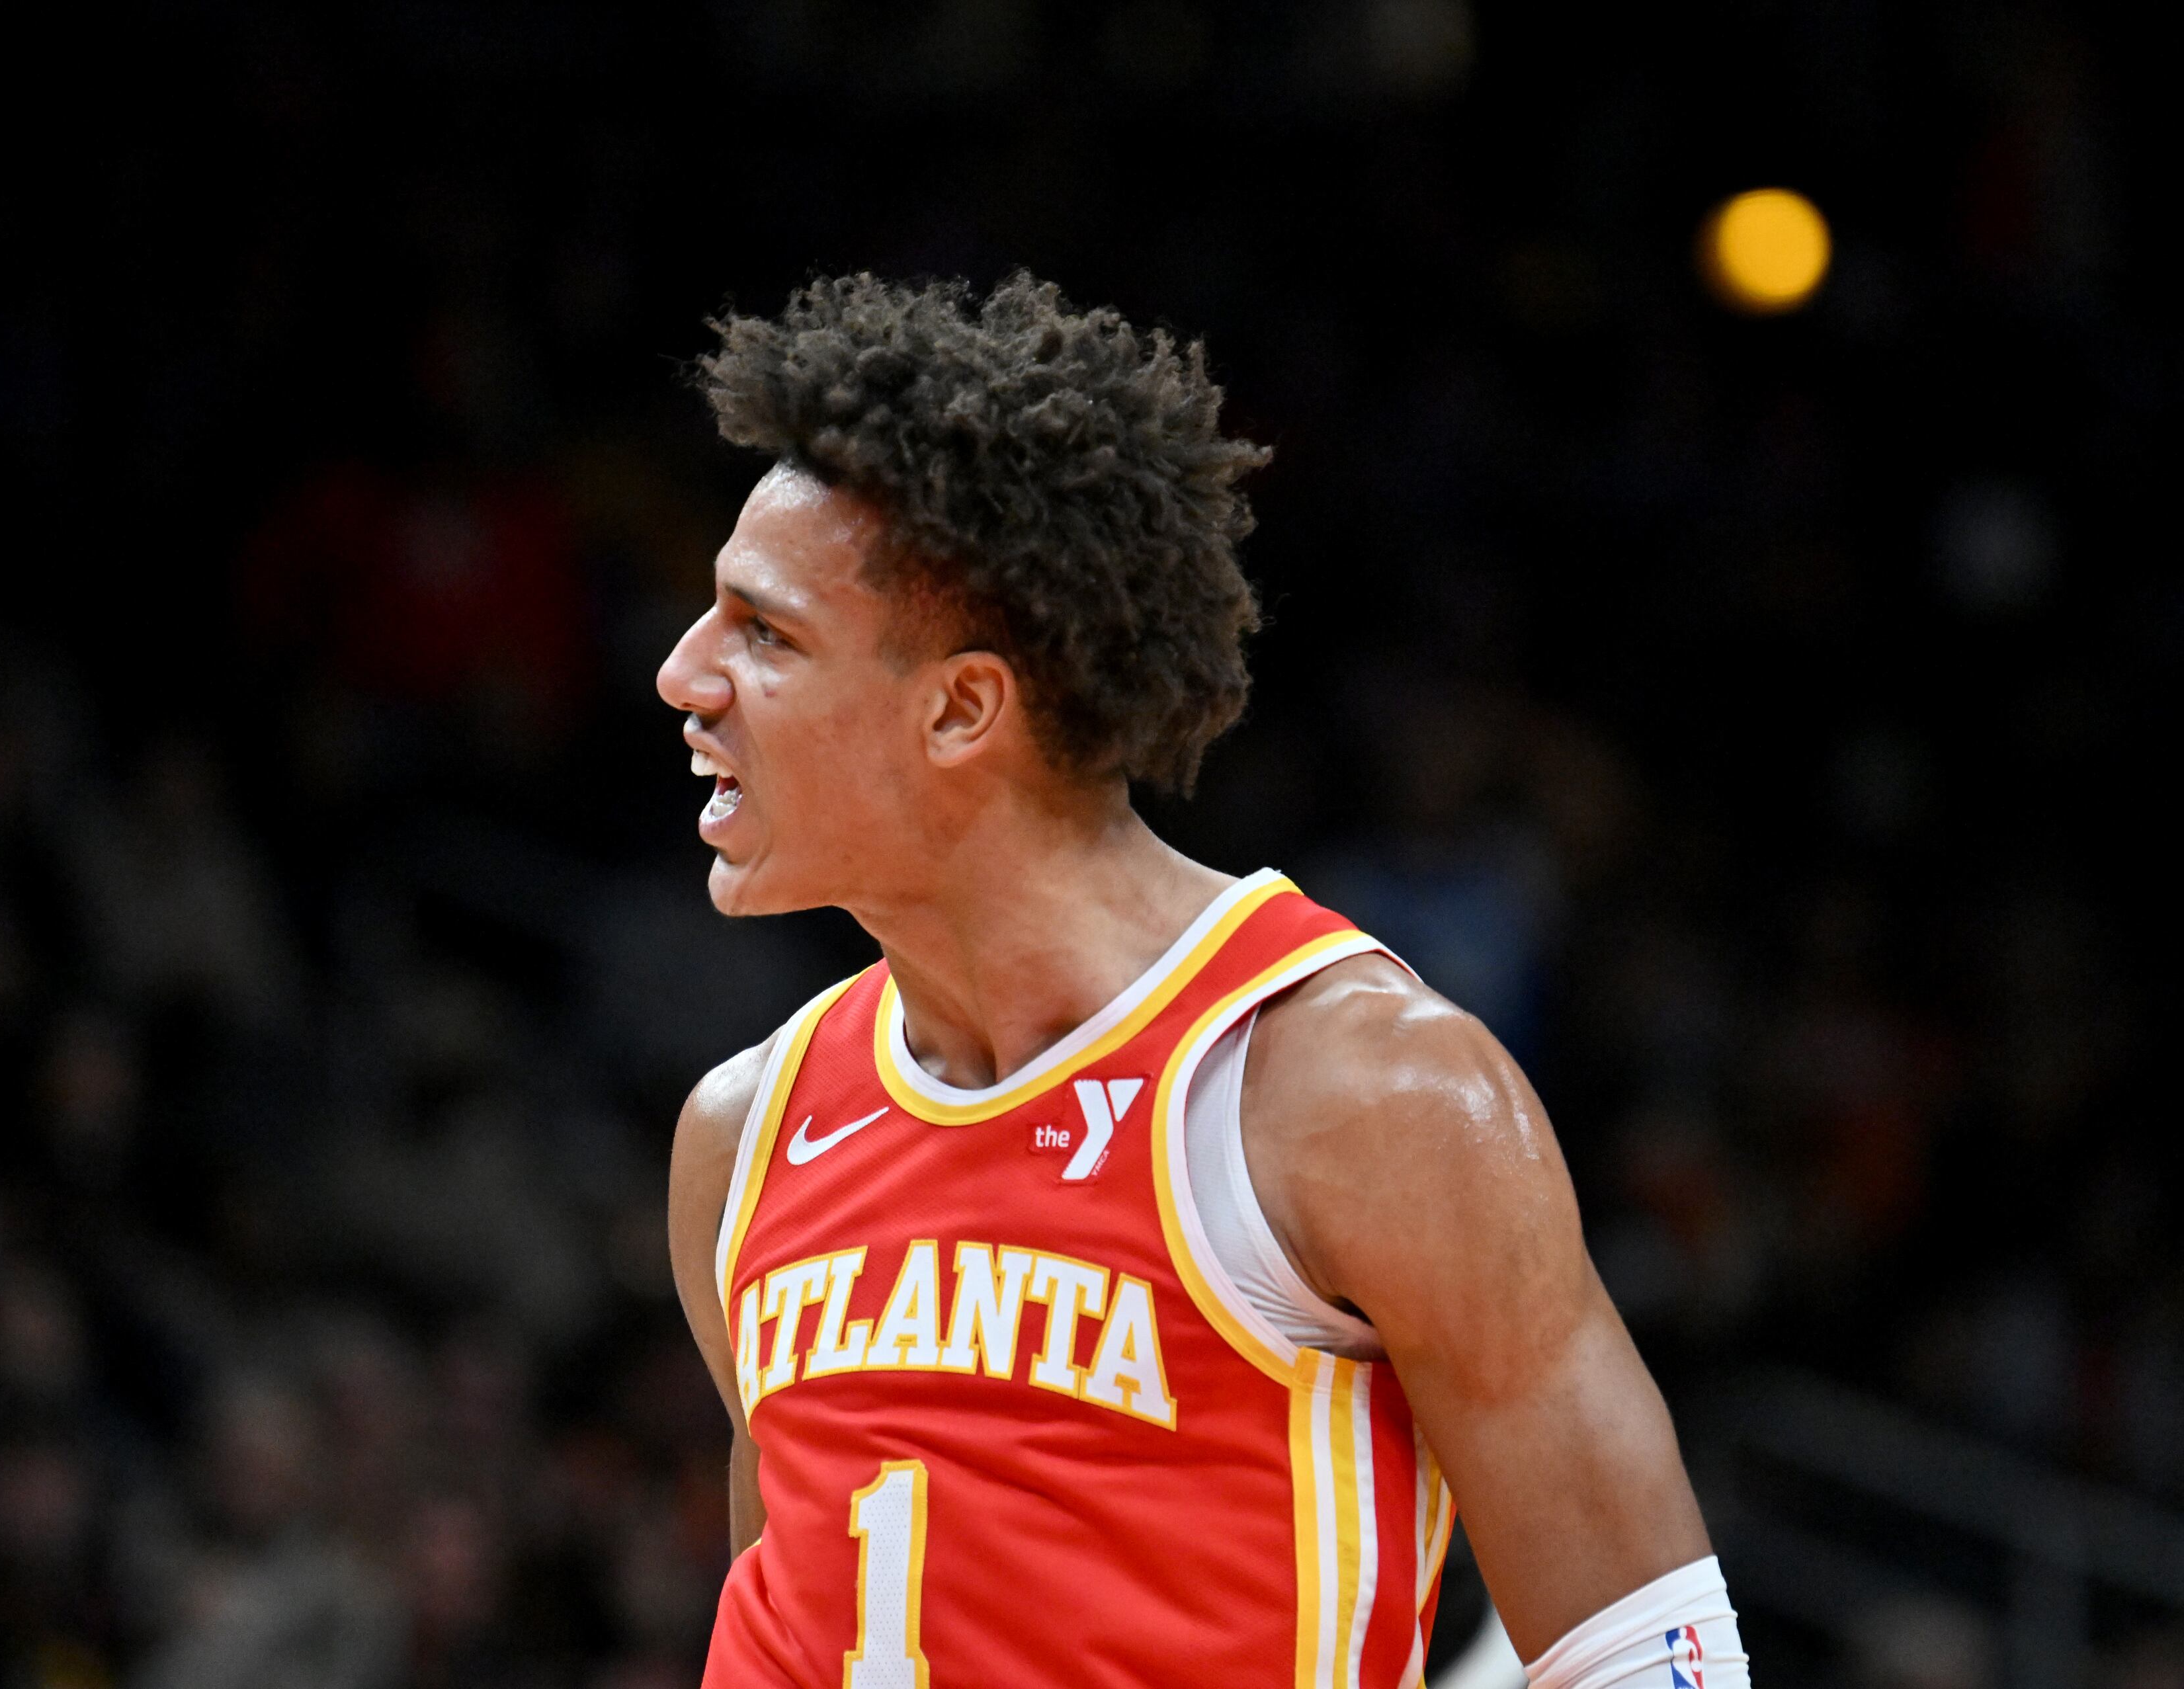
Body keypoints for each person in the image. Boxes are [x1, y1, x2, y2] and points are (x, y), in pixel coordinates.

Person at [657, 274, 1748, 1689]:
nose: (686, 672)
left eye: (765, 632)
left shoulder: (1352, 1095)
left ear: (963, 708)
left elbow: (1649, 1659)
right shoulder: (743, 1134)